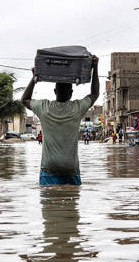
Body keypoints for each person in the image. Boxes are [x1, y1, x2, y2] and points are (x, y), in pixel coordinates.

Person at [22, 56, 100, 186]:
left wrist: (34, 78)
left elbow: (24, 99)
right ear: (71, 93)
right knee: (71, 203)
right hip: (71, 168)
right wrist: (95, 67)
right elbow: (95, 93)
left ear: (54, 91)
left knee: (49, 203)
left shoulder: (44, 108)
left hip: (49, 168)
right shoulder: (77, 108)